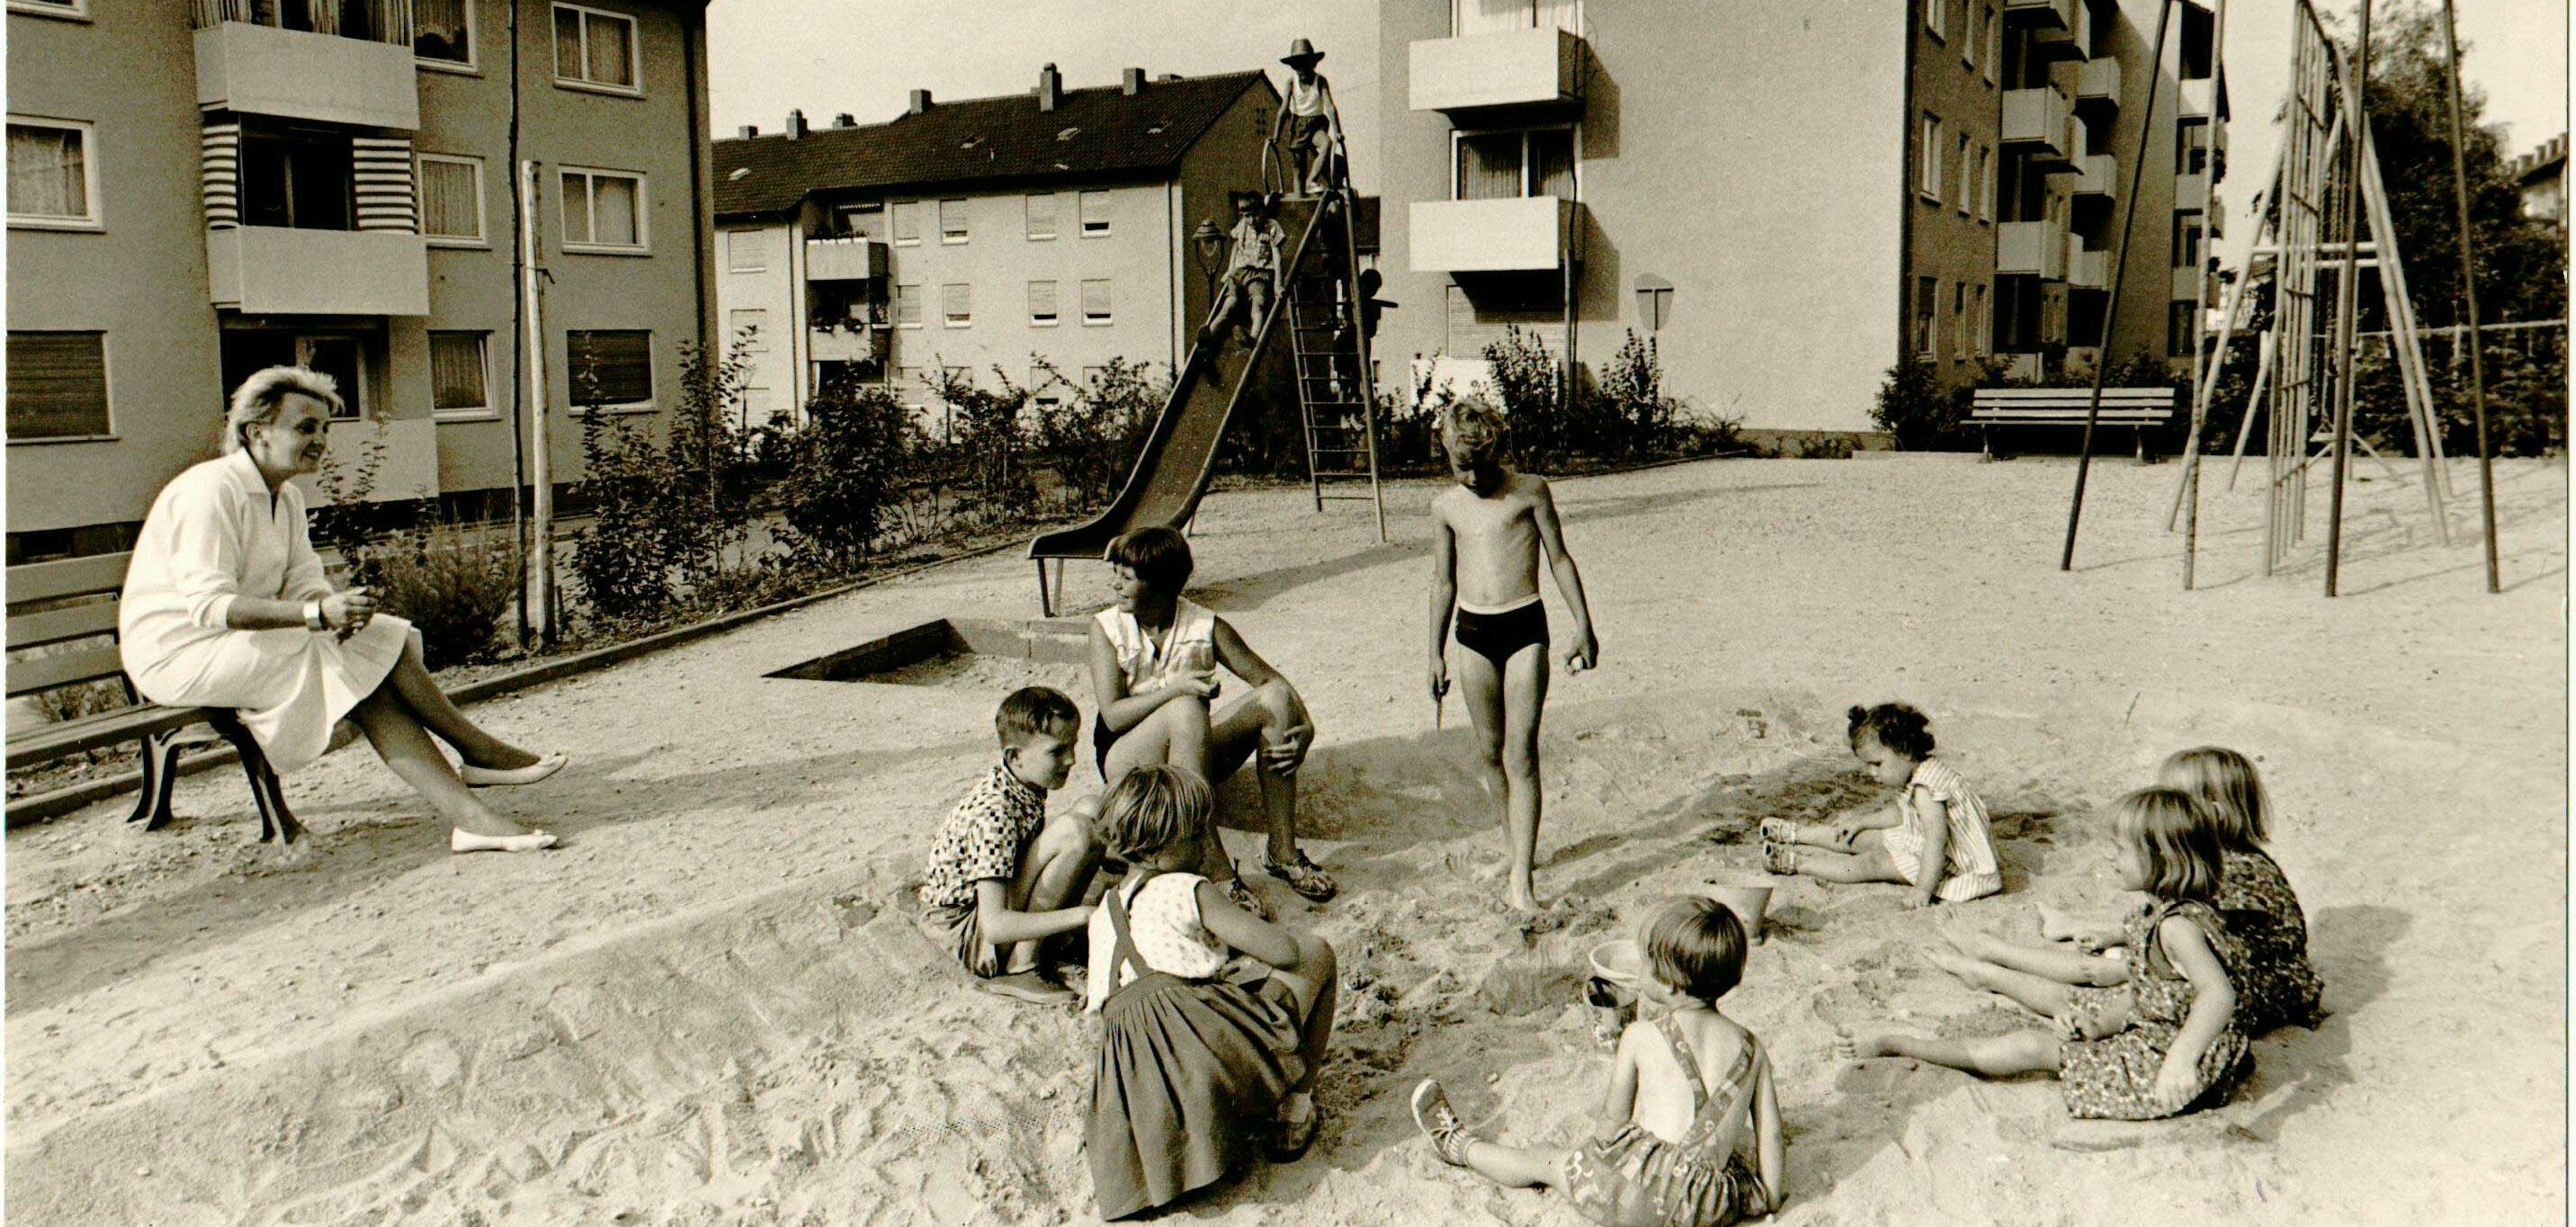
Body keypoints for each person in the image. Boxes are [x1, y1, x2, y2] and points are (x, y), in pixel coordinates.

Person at [118, 367, 561, 854]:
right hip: (177, 654)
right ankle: (475, 773)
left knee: (371, 639)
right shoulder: (210, 491)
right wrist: (316, 617)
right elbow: (209, 606)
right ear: (256, 431)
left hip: (233, 645)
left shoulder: (283, 496)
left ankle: (474, 786)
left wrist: (339, 613)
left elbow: (305, 581)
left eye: (325, 429)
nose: (320, 441)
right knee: (348, 666)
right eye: (306, 428)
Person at [1837, 787, 2254, 1122]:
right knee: (2075, 1008)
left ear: (2164, 859)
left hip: (2165, 1063)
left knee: (2029, 1047)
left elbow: (2218, 995)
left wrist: (2178, 1065)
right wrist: (2099, 1024)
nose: (2109, 856)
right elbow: (2154, 989)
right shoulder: (2175, 911)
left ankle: (1899, 1043)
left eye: (2122, 850)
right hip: (2171, 1037)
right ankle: (1985, 974)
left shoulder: (2177, 926)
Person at [1411, 898, 1783, 1225]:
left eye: (1646, 964)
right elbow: (1772, 1134)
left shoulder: (1642, 1034)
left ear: (1669, 985)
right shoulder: (1752, 1048)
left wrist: (1593, 1162)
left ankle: (1459, 1146)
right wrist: (1767, 1195)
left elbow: (1610, 1127)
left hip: (1639, 1199)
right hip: (1705, 1207)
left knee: (1548, 1162)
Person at [1085, 766, 1338, 1220]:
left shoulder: (1102, 913)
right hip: (1196, 1051)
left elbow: (1111, 1007)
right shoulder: (1187, 888)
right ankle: (1295, 1107)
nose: (1207, 845)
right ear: (1160, 852)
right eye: (1197, 836)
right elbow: (1281, 951)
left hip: (1134, 1077)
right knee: (1316, 954)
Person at [1088, 526, 1331, 912]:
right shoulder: (1107, 629)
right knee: (1186, 706)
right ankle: (1215, 865)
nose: (1114, 585)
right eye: (1115, 573)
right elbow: (1113, 716)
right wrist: (1176, 689)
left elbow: (1273, 682)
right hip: (1130, 766)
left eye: (1126, 577)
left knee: (1274, 699)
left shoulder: (1205, 626)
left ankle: (1282, 851)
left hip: (1188, 751)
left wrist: (1307, 730)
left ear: (1161, 584)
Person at [1427, 399, 1598, 913]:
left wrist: (1584, 625)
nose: (1473, 478)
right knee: (1488, 751)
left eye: (1481, 466)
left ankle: (1521, 877)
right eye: (1462, 468)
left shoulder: (1530, 491)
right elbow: (1442, 582)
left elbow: (1560, 559)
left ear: (1497, 449)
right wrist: (1432, 654)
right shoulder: (1445, 507)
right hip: (1472, 632)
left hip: (1524, 627)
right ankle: (1511, 849)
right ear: (1445, 453)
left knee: (1521, 755)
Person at [2040, 747, 2321, 1033]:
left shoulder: (2236, 872)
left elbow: (2226, 953)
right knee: (2117, 965)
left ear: (2213, 813)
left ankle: (1999, 957)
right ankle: (2006, 954)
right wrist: (2116, 937)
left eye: (2175, 802)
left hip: (2263, 987)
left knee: (2105, 988)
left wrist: (2128, 969)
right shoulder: (2209, 859)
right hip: (2222, 968)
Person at [916, 686, 1104, 1005]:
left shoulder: (1022, 784)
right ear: (1015, 756)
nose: (1071, 760)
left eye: (1073, 747)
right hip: (970, 933)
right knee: (1074, 832)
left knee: (1092, 810)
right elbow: (995, 926)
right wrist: (1082, 915)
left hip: (989, 910)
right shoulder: (994, 815)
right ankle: (1022, 966)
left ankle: (1051, 942)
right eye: (1057, 751)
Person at [1761, 703, 2002, 906]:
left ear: (1905, 752)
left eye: (1878, 764)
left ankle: (1798, 862)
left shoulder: (1927, 790)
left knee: (1873, 863)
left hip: (1953, 864)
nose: (1872, 772)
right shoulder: (1919, 772)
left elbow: (1936, 841)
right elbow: (1901, 813)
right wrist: (1860, 821)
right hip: (1925, 843)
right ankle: (1796, 833)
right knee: (1863, 836)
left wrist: (1922, 890)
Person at [1199, 193, 1289, 350]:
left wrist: (1278, 285)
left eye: (1255, 215)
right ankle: (1208, 337)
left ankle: (1253, 338)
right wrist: (1230, 270)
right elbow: (1236, 246)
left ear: (1263, 211)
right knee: (1229, 305)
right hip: (1240, 272)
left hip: (1259, 274)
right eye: (1247, 216)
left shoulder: (1272, 226)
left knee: (1258, 304)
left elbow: (1277, 256)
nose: (1251, 220)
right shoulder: (1243, 225)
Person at [1271, 39, 1346, 195]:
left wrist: (1338, 131)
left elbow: (1330, 106)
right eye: (1298, 67)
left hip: (1317, 123)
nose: (1301, 71)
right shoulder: (1291, 82)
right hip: (1299, 125)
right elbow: (1284, 110)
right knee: (1299, 167)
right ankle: (1300, 198)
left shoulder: (1320, 81)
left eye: (1305, 66)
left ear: (1312, 64)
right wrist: (1276, 136)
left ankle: (1312, 180)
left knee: (1326, 143)